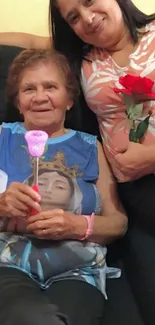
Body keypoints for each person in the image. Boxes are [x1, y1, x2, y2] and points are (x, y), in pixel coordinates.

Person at [0, 0, 155, 233]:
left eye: (90, 1)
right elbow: (32, 43)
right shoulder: (81, 57)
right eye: (74, 18)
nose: (88, 18)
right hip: (134, 190)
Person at [0, 48, 127, 325]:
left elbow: (118, 223)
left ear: (69, 99)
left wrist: (76, 225)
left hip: (79, 271)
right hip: (8, 262)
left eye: (50, 86)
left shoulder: (91, 147)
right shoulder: (2, 137)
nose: (40, 96)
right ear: (18, 101)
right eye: (28, 89)